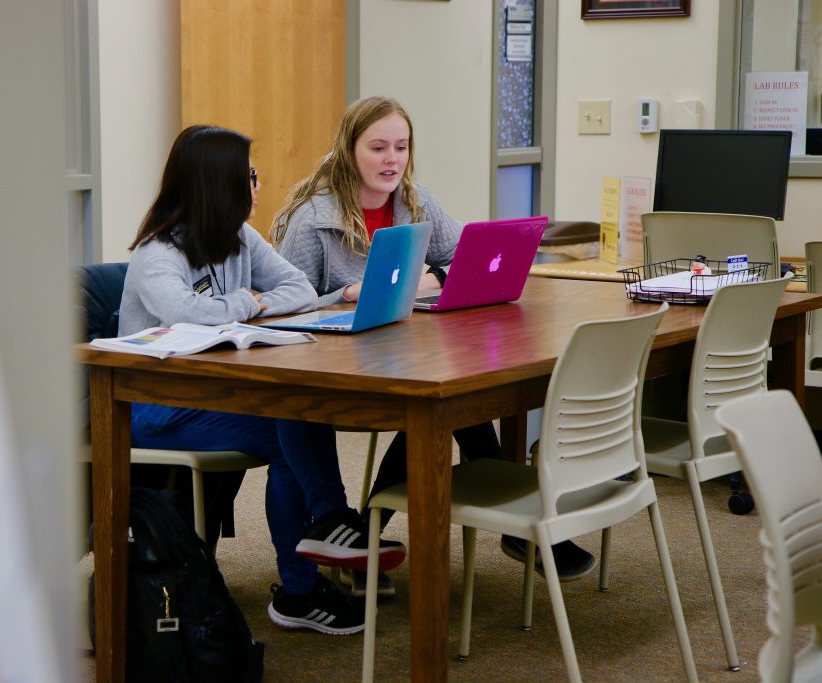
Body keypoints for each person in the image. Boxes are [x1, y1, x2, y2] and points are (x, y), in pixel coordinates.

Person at [271, 96, 595, 596]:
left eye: (400, 147)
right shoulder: (315, 218)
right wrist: (346, 294)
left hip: (400, 350)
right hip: (332, 363)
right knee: (443, 409)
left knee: (451, 401)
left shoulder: (414, 200)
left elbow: (466, 255)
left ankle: (364, 537)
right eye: (378, 147)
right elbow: (288, 301)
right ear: (349, 150)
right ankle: (516, 531)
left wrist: (435, 276)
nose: (391, 159)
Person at [119, 124, 406, 636]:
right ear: (216, 184)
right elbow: (184, 313)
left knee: (297, 415)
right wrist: (249, 303)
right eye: (248, 176)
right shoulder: (158, 254)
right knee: (288, 432)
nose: (257, 186)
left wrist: (251, 303)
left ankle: (321, 547)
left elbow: (297, 285)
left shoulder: (238, 239)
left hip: (215, 393)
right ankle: (313, 561)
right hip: (155, 407)